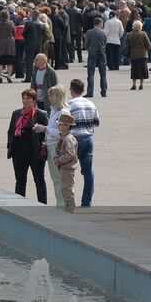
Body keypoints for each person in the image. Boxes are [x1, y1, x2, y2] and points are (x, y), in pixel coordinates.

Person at [5, 88, 48, 203]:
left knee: (39, 180)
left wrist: (42, 147)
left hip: (35, 153)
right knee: (20, 181)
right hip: (18, 153)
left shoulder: (41, 114)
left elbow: (46, 133)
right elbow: (10, 131)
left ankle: (42, 205)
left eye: (28, 99)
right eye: (23, 98)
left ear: (34, 101)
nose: (25, 101)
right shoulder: (16, 113)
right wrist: (10, 146)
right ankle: (20, 205)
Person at [65, 79, 99, 207]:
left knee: (68, 170)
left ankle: (68, 200)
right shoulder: (91, 104)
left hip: (74, 138)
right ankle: (86, 201)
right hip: (88, 137)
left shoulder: (69, 104)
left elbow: (64, 124)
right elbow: (96, 122)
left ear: (72, 90)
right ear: (83, 90)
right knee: (88, 171)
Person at [51, 112, 79, 213]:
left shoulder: (68, 139)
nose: (58, 126)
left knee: (67, 191)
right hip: (64, 168)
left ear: (67, 126)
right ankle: (68, 210)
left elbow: (70, 154)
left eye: (60, 124)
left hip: (67, 169)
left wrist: (59, 160)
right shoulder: (64, 137)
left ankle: (70, 211)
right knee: (64, 190)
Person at [83, 18, 108, 97]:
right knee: (103, 74)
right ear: (99, 23)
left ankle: (90, 92)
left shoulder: (89, 32)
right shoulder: (104, 32)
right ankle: (104, 92)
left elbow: (86, 44)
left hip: (92, 52)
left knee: (90, 73)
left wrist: (89, 49)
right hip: (102, 53)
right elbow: (105, 43)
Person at [123, 20, 149, 90]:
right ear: (140, 27)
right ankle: (141, 85)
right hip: (143, 54)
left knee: (134, 70)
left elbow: (126, 44)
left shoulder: (129, 34)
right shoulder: (143, 34)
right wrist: (145, 49)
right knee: (142, 70)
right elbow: (148, 44)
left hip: (133, 54)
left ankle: (134, 84)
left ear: (133, 27)